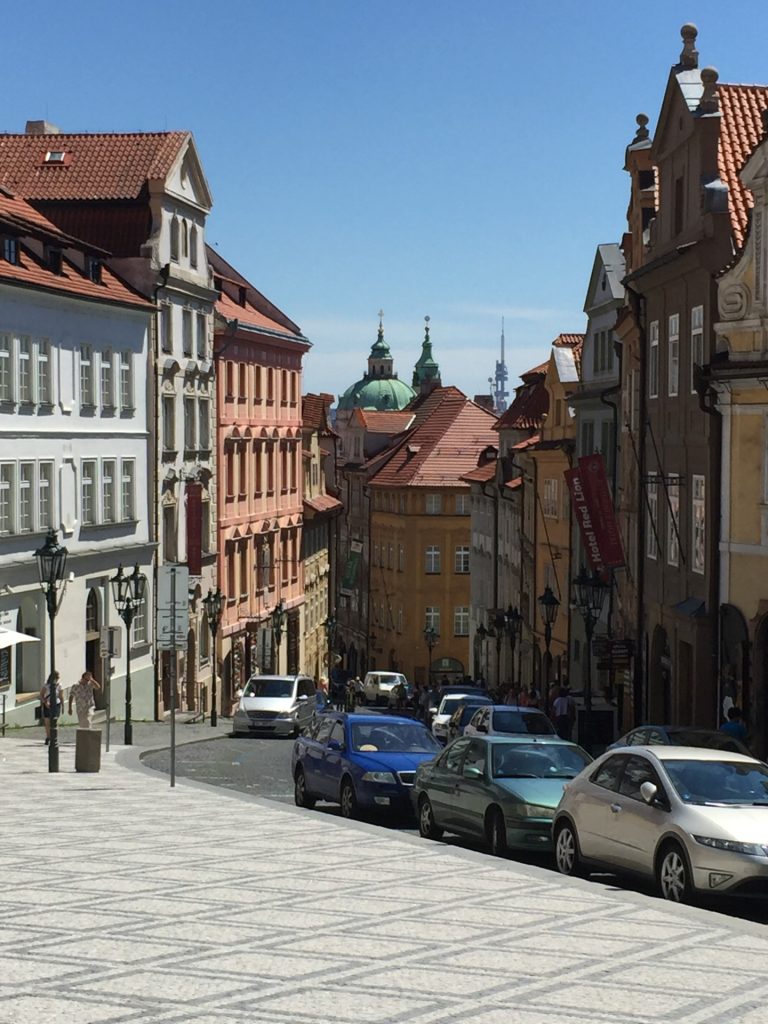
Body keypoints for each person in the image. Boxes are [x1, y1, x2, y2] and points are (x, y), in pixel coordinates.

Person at [40, 671, 64, 745]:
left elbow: (61, 696)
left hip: (56, 703)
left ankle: (54, 737)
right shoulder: (46, 685)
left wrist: (63, 705)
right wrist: (45, 702)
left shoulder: (59, 685)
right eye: (57, 677)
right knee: (47, 722)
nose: (58, 678)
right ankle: (48, 737)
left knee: (55, 721)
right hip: (48, 703)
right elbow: (41, 695)